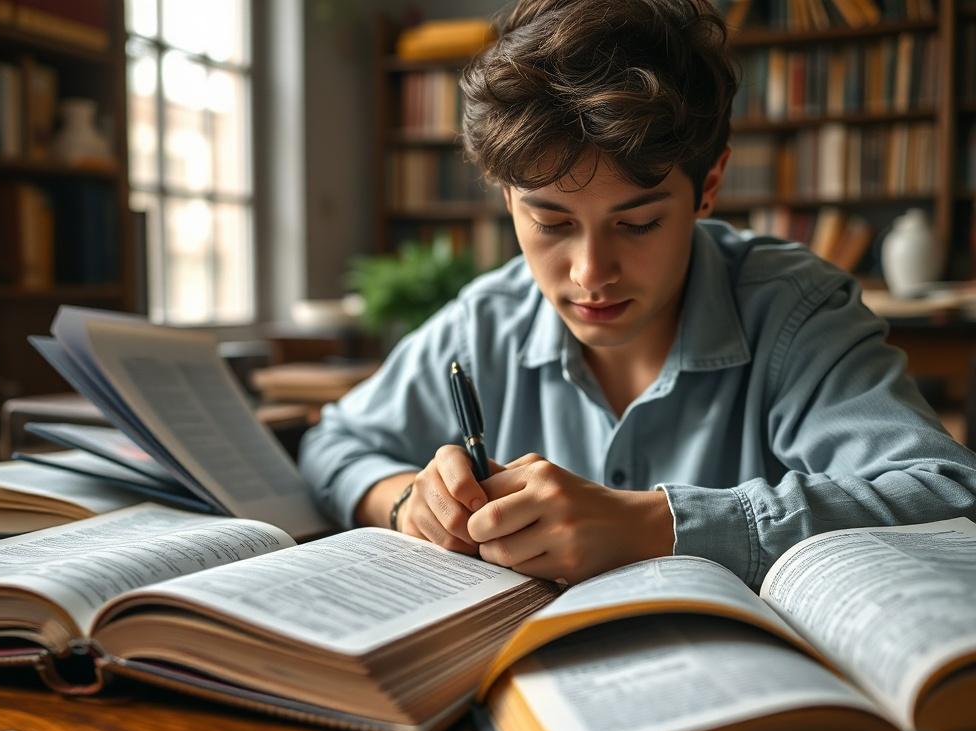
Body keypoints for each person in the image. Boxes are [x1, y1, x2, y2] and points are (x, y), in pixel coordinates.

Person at [299, 0, 976, 590]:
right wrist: (405, 503)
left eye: (639, 223)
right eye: (551, 223)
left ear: (709, 187)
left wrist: (659, 525)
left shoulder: (795, 310)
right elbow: (334, 444)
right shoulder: (486, 320)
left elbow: (947, 492)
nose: (591, 273)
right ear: (507, 199)